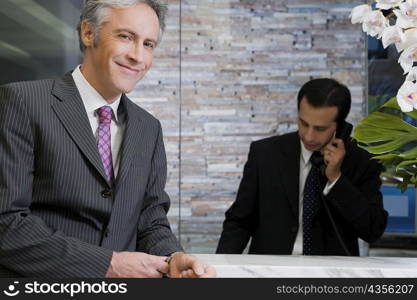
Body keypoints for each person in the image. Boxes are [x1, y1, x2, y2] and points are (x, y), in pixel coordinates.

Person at [0, 0, 215, 278]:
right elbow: (6, 222)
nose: (138, 56)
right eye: (126, 37)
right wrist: (107, 264)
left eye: (148, 44)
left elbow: (150, 220)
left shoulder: (148, 128)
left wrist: (172, 257)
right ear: (89, 33)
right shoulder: (22, 102)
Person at [216, 78, 388, 256]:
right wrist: (218, 272)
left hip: (330, 276)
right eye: (304, 123)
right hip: (270, 270)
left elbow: (373, 230)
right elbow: (239, 222)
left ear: (340, 125)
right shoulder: (265, 153)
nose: (309, 136)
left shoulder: (362, 162)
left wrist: (336, 179)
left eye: (320, 129)